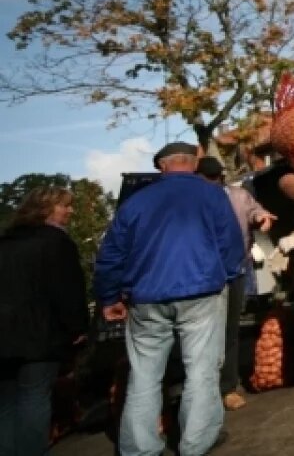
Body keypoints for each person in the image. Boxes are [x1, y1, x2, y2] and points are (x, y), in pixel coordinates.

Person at [94, 142, 244, 456]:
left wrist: (109, 297)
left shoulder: (136, 202)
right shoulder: (212, 194)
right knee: (201, 369)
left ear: (162, 166)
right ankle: (196, 442)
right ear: (192, 164)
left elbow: (110, 255)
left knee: (145, 374)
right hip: (201, 290)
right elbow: (230, 242)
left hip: (146, 297)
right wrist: (226, 274)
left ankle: (139, 448)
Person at [0, 186, 89, 455]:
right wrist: (78, 328)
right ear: (47, 208)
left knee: (6, 403)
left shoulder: (5, 243)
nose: (70, 211)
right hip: (40, 336)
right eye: (65, 205)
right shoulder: (57, 243)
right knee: (34, 398)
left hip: (3, 337)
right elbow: (67, 290)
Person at [195, 156, 276, 412]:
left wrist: (262, 217)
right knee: (204, 335)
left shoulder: (238, 196)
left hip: (235, 272)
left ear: (221, 177)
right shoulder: (192, 202)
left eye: (214, 179)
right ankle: (204, 392)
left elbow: (254, 210)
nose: (211, 183)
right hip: (203, 277)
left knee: (229, 330)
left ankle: (227, 388)